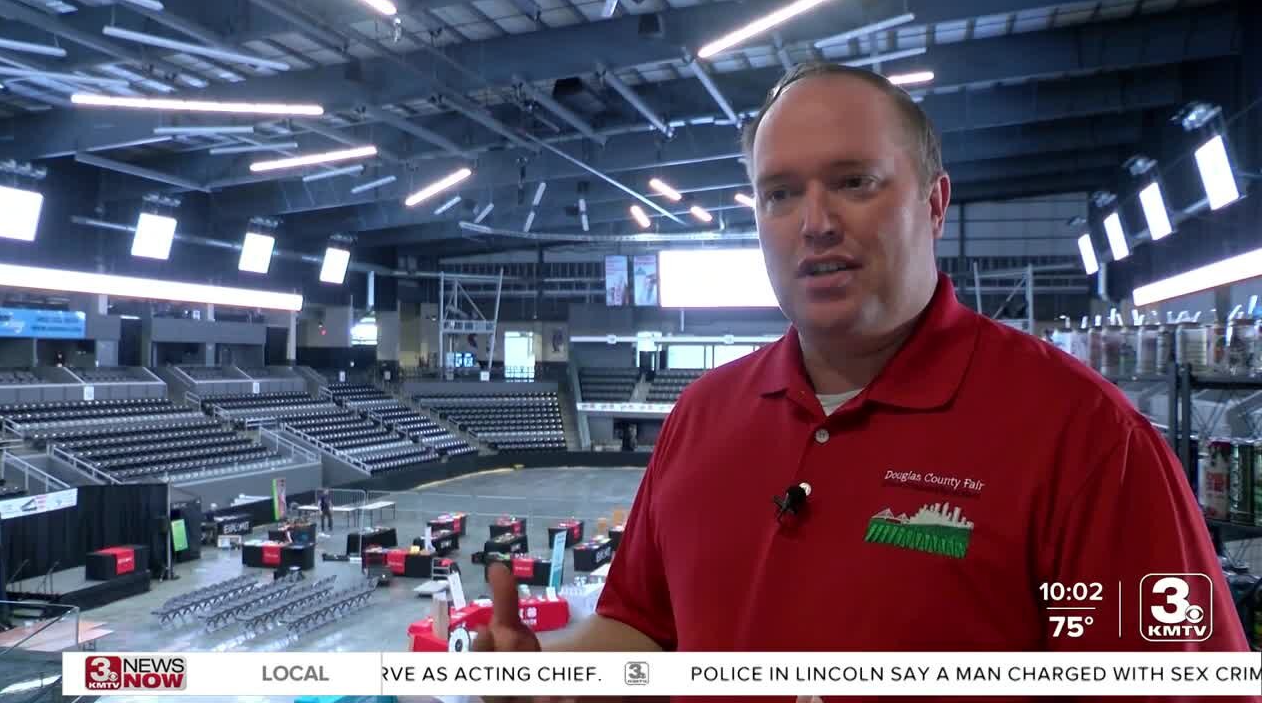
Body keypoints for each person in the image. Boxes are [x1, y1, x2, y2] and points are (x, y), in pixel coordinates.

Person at [476, 63, 1250, 692]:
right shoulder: (702, 417)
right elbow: (644, 626)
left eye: (854, 182)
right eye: (780, 193)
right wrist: (556, 670)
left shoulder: (1085, 440)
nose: (814, 222)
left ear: (935, 204)